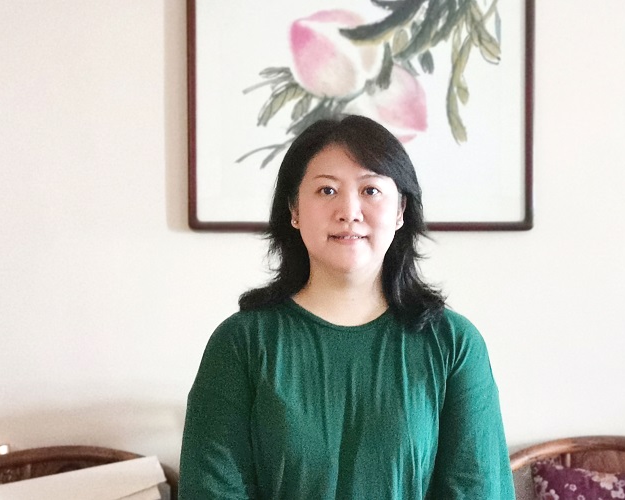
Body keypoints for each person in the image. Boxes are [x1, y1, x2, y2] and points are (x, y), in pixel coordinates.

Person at [179, 114, 515, 499]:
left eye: (370, 190)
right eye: (327, 190)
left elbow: (478, 489)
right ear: (294, 210)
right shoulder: (240, 343)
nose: (349, 211)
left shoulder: (453, 344)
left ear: (400, 210)